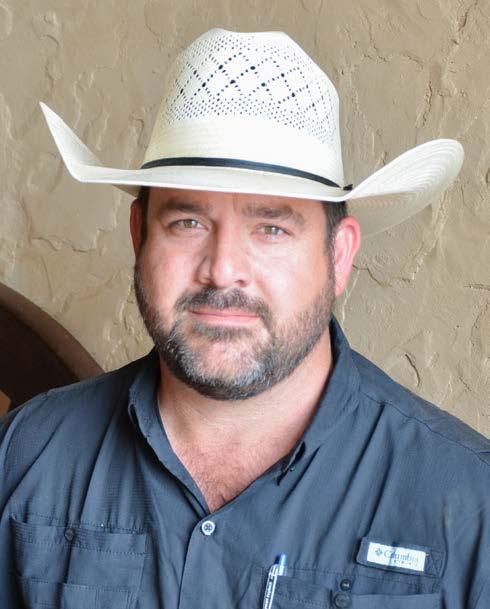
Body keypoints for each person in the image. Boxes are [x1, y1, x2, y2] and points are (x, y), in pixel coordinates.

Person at [0, 28, 488, 609]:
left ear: (338, 256)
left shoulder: (469, 506)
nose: (223, 270)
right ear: (138, 236)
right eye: (188, 223)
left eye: (271, 228)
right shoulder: (25, 457)